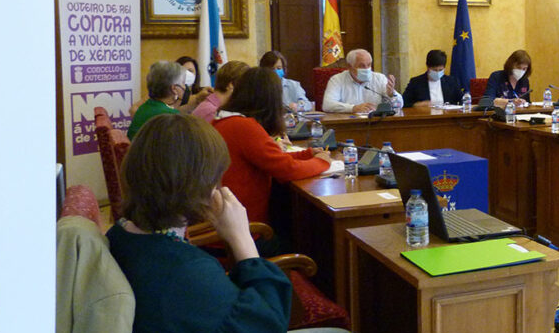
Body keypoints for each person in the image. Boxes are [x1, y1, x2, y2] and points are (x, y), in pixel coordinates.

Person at [107, 113, 392, 333]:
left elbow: (223, 320)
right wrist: (241, 238)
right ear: (196, 183)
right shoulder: (182, 269)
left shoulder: (127, 235)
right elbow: (268, 328)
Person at [213, 68, 331, 235]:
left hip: (229, 223)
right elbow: (287, 170)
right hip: (244, 233)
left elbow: (268, 157)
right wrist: (322, 162)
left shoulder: (227, 120)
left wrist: (307, 154)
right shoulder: (243, 127)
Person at [128, 61, 207, 139]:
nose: (185, 87)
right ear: (174, 89)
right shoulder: (171, 117)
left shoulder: (145, 107)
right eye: (183, 83)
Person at [322, 48, 403, 113]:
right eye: (362, 66)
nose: (366, 69)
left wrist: (391, 95)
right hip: (348, 125)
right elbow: (327, 105)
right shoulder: (337, 80)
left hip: (376, 124)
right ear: (350, 67)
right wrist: (353, 108)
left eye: (369, 65)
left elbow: (400, 105)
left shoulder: (379, 78)